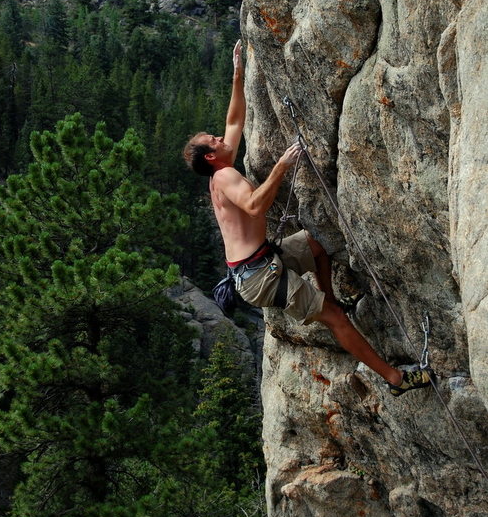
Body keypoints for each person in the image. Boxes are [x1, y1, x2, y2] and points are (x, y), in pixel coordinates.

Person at [183, 40, 432, 397]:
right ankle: (396, 379)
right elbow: (254, 206)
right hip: (259, 277)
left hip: (263, 261)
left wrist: (238, 73)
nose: (222, 138)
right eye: (215, 140)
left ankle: (329, 296)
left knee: (316, 245)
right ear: (210, 157)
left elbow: (235, 118)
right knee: (334, 319)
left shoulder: (221, 165)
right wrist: (282, 167)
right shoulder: (222, 177)